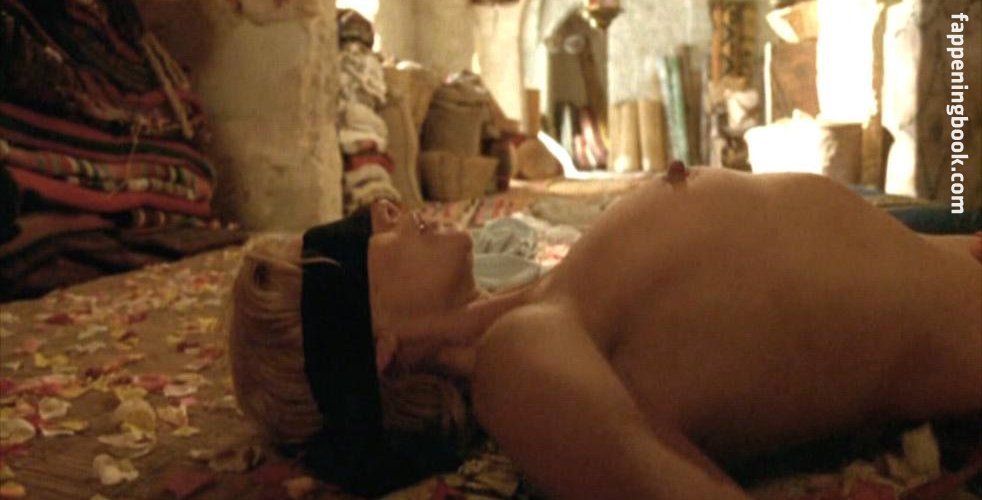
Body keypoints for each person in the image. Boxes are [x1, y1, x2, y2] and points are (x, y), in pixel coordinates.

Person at [226, 167, 981, 498]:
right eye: (362, 236)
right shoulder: (516, 365)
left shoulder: (534, 308)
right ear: (376, 348)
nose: (385, 207)